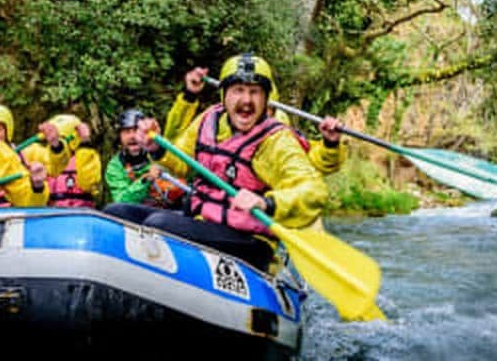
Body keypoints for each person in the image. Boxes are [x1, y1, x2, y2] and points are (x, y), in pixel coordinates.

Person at [104, 53, 328, 272]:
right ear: (224, 95)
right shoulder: (209, 120)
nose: (247, 101)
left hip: (249, 239)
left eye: (255, 92)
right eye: (238, 90)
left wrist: (267, 202)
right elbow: (180, 162)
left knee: (159, 225)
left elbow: (313, 191)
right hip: (202, 220)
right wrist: (156, 147)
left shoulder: (277, 141)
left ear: (266, 98)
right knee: (116, 213)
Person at [172, 65, 347, 175]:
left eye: (256, 96)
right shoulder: (214, 121)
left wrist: (330, 145)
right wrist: (189, 95)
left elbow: (313, 164)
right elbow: (174, 142)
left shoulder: (278, 132)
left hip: (251, 220)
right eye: (239, 92)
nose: (247, 105)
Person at [104, 108, 187, 208]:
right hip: (140, 214)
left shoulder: (161, 152)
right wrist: (147, 179)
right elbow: (121, 200)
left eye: (135, 130)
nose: (132, 136)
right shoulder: (115, 166)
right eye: (126, 131)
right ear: (119, 137)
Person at [41, 114, 102, 208]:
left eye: (58, 139)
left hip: (79, 215)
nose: (55, 143)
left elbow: (88, 184)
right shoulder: (45, 158)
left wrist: (85, 141)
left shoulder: (87, 157)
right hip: (52, 215)